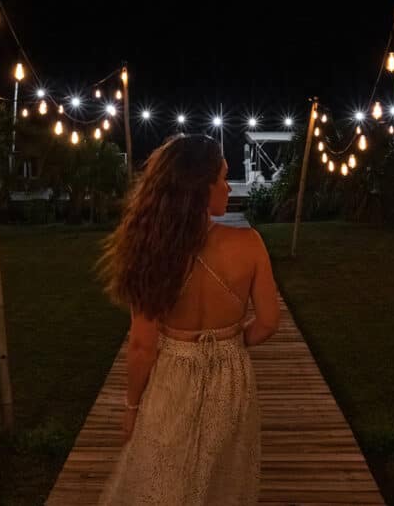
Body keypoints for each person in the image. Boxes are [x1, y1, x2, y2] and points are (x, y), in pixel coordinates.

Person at [96, 133, 280, 505]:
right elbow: (269, 322)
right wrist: (232, 342)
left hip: (174, 374)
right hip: (230, 376)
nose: (229, 186)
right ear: (201, 186)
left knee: (163, 478)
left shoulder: (152, 250)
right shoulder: (250, 245)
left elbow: (142, 345)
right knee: (221, 481)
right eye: (223, 177)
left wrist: (132, 407)